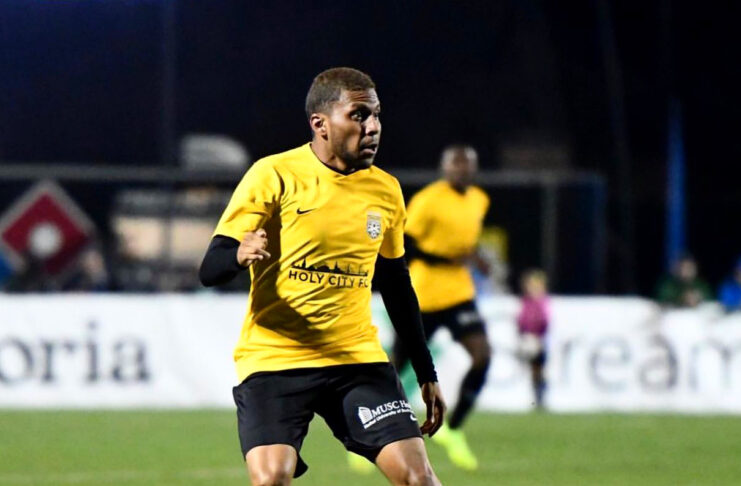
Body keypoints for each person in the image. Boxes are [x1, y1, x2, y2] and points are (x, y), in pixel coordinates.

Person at [199, 67, 445, 486]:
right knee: (271, 478)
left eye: (376, 115)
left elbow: (397, 286)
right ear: (321, 124)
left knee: (419, 478)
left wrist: (426, 372)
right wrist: (238, 255)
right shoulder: (273, 174)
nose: (373, 128)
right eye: (359, 115)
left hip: (356, 360)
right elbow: (211, 267)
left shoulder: (386, 190)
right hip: (277, 357)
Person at [391, 145, 491, 471]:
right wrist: (446, 259)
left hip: (459, 293)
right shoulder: (428, 200)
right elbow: (406, 243)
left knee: (482, 356)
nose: (462, 170)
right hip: (424, 295)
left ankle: (454, 428)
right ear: (445, 168)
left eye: (467, 165)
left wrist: (476, 257)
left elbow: (465, 241)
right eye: (456, 164)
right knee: (397, 365)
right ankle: (371, 424)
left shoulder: (479, 199)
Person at [516, 269, 550, 409]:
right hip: (529, 338)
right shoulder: (526, 302)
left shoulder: (542, 302)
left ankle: (540, 396)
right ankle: (537, 397)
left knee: (539, 369)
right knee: (534, 370)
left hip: (539, 340)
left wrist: (537, 336)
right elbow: (521, 320)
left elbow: (544, 321)